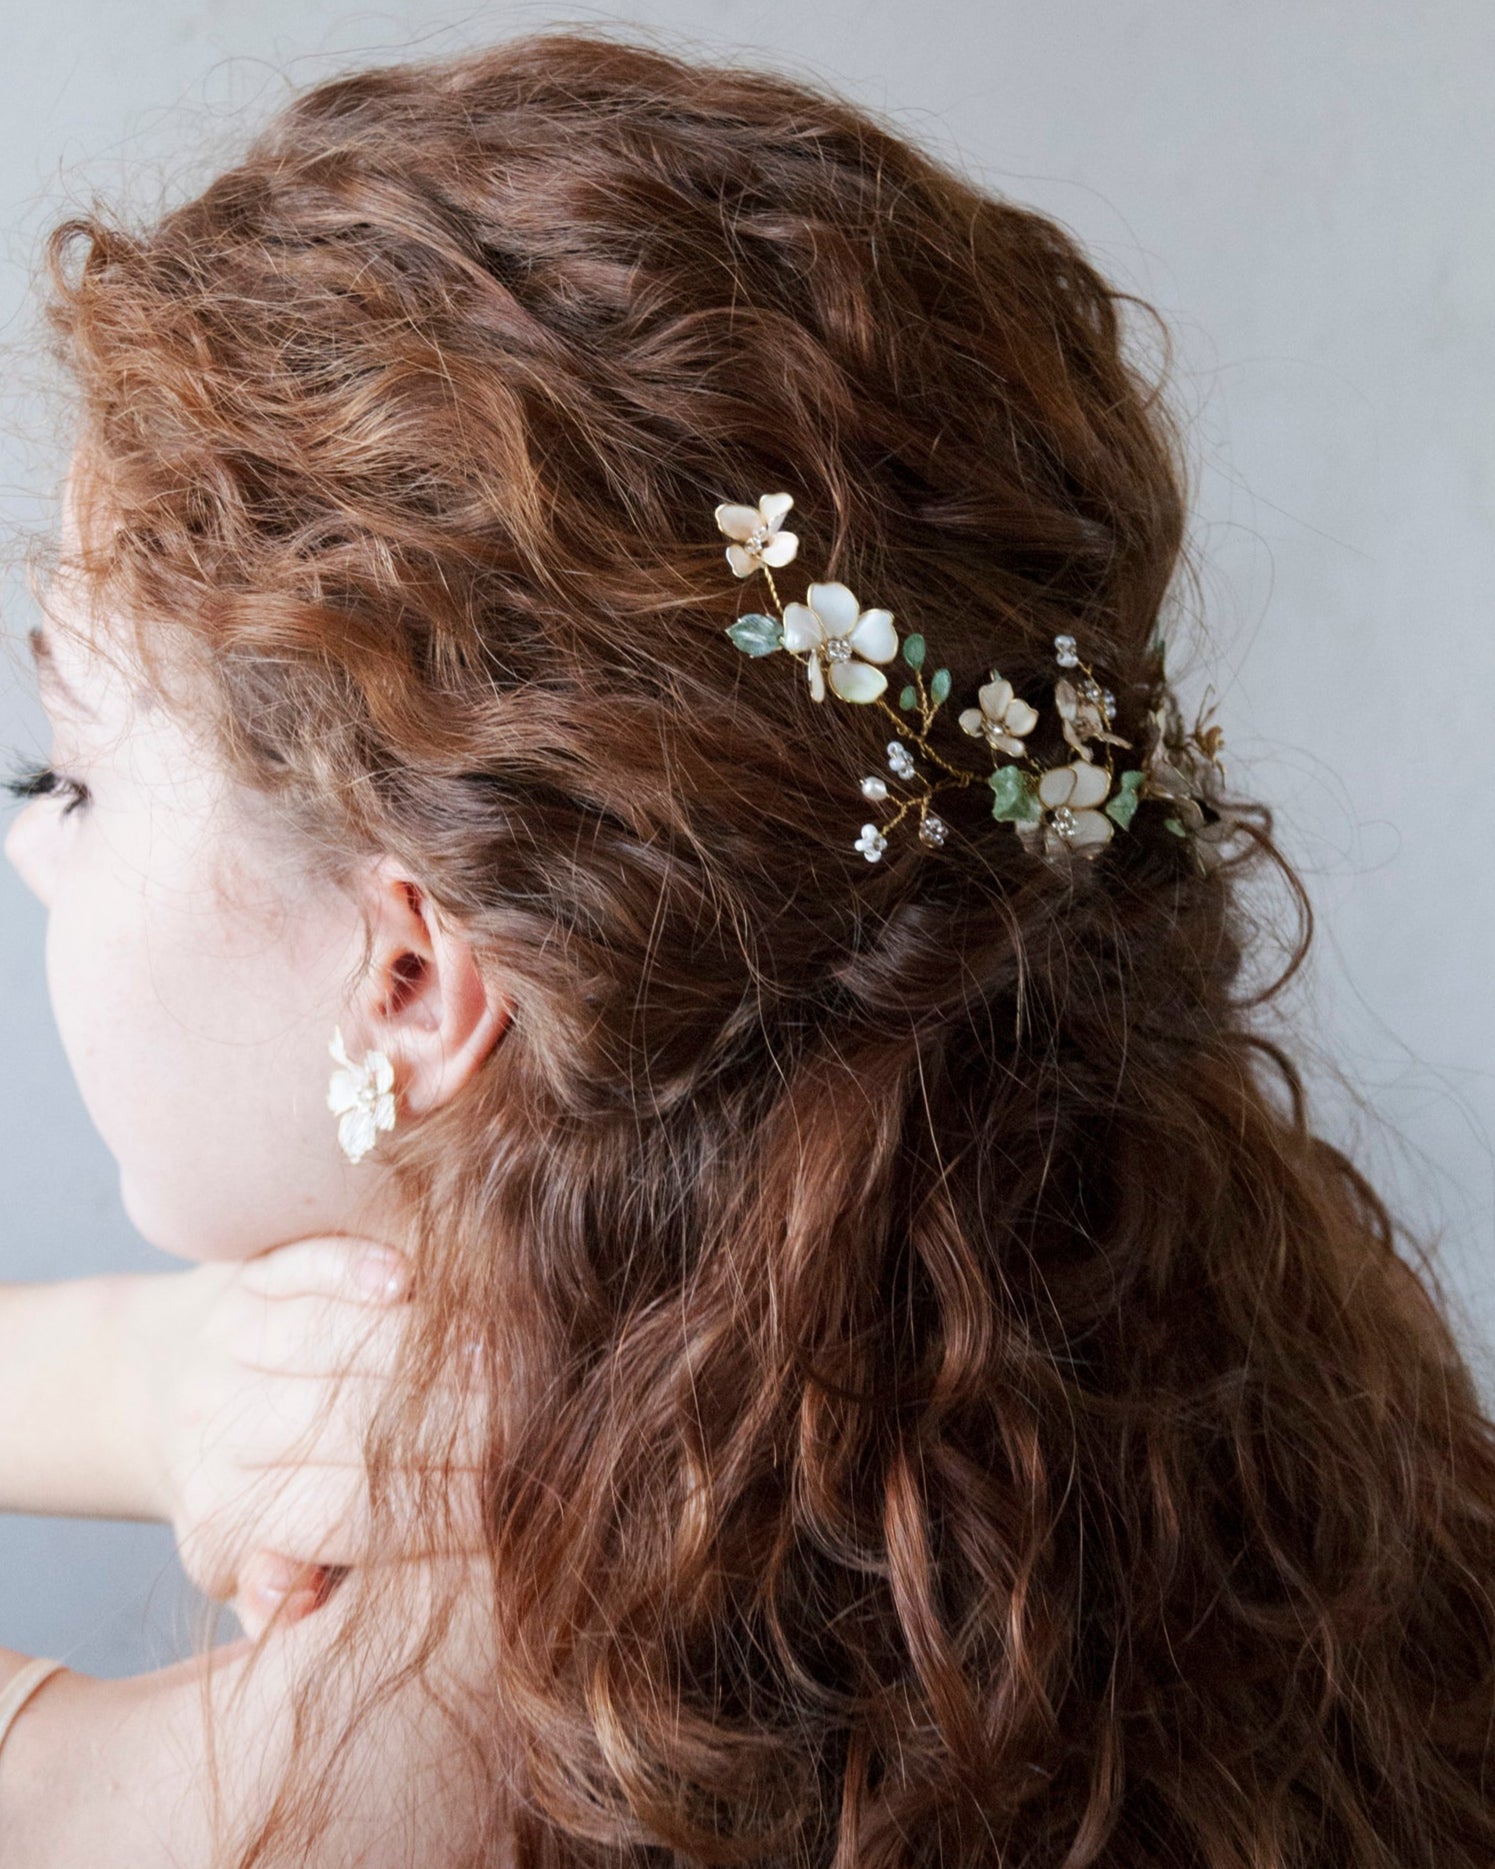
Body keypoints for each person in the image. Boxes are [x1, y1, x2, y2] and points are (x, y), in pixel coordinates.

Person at [3, 27, 1495, 1869]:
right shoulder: (1177, 1393)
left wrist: (146, 1399)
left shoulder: (393, 1748)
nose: (26, 854)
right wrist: (158, 1385)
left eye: (61, 776)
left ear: (413, 978)